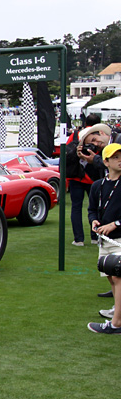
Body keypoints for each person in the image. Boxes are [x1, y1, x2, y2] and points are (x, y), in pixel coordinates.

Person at [87, 143, 121, 334]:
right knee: (111, 277)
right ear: (106, 161)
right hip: (105, 241)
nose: (120, 160)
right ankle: (118, 311)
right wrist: (94, 222)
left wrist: (115, 224)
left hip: (119, 239)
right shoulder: (97, 186)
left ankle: (116, 323)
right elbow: (91, 210)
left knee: (118, 276)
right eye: (115, 157)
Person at [64, 120, 112, 246]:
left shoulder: (75, 135)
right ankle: (95, 236)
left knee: (77, 208)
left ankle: (79, 239)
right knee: (96, 208)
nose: (94, 144)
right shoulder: (100, 138)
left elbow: (64, 156)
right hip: (91, 178)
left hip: (78, 178)